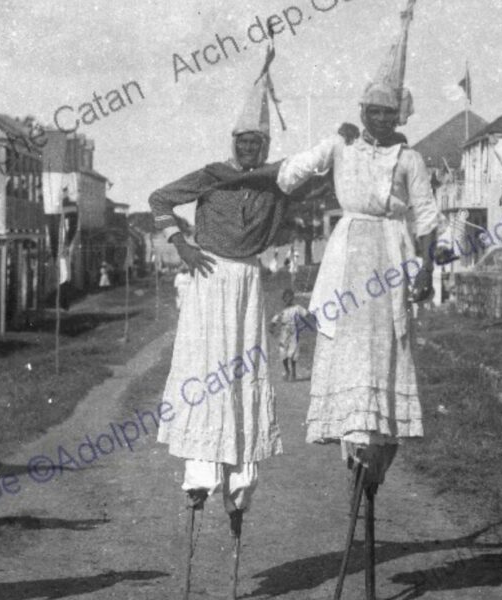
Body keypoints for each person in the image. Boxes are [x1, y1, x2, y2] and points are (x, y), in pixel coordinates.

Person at [267, 1, 436, 594]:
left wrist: (422, 271)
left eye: (388, 112)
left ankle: (374, 464)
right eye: (371, 111)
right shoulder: (343, 148)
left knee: (384, 355)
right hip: (346, 257)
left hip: (390, 256)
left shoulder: (410, 159)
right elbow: (290, 176)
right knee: (346, 356)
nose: (379, 120)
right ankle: (352, 454)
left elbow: (428, 220)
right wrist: (328, 142)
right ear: (360, 111)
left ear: (400, 114)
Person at [147, 47, 292, 599]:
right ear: (232, 143)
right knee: (205, 368)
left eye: (256, 142)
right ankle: (199, 478)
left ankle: (238, 484)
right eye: (241, 141)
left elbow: (318, 174)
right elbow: (161, 198)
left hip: (248, 284)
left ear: (266, 146)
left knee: (242, 373)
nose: (247, 148)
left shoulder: (277, 183)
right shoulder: (212, 176)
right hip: (208, 280)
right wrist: (179, 242)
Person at [269, 288, 308, 381]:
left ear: (292, 298)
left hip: (294, 331)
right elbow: (274, 321)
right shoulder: (282, 311)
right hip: (284, 332)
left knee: (293, 352)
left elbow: (307, 314)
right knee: (283, 352)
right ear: (283, 299)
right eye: (286, 298)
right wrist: (272, 327)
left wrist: (306, 322)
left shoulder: (297, 308)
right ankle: (287, 370)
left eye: (290, 297)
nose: (288, 299)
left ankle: (293, 371)